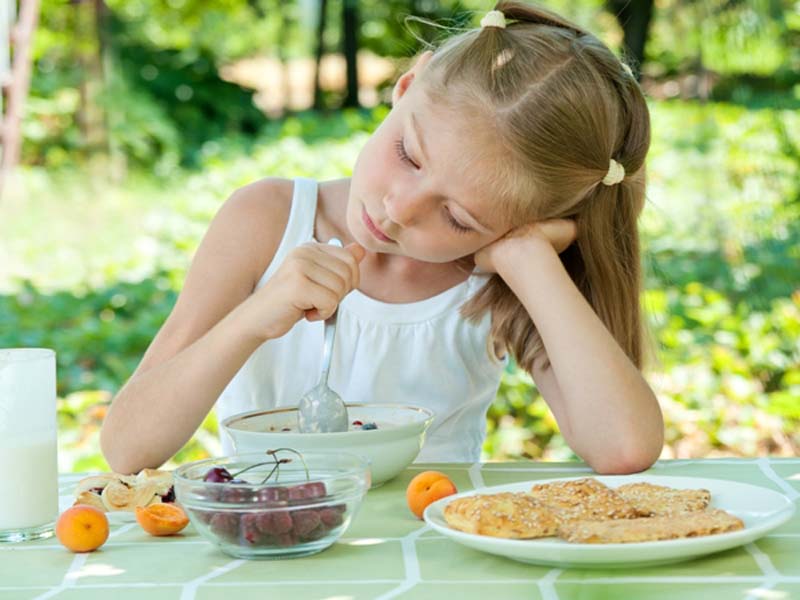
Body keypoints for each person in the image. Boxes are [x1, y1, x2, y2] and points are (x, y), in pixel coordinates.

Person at [101, 1, 664, 475]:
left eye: (459, 219)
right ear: (405, 86)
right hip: (274, 543)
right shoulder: (267, 219)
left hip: (433, 557)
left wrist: (528, 260)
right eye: (408, 156)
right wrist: (256, 315)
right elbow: (128, 447)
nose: (399, 210)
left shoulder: (496, 281)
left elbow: (624, 447)